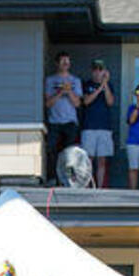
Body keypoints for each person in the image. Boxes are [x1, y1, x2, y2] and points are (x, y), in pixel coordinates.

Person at [44, 52, 82, 178]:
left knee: (69, 152)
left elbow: (77, 104)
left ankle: (68, 179)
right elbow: (48, 103)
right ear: (57, 63)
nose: (66, 63)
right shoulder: (50, 80)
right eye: (63, 61)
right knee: (51, 150)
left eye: (67, 61)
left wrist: (69, 90)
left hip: (70, 122)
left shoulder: (75, 81)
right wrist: (60, 92)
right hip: (54, 121)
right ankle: (53, 178)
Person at [79, 58, 115, 187]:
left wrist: (105, 84)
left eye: (100, 69)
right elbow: (86, 101)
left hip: (104, 127)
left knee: (102, 160)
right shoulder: (86, 85)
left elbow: (110, 102)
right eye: (95, 69)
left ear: (104, 71)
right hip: (89, 127)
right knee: (88, 159)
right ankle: (88, 185)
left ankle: (99, 187)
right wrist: (100, 88)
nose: (97, 72)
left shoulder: (109, 86)